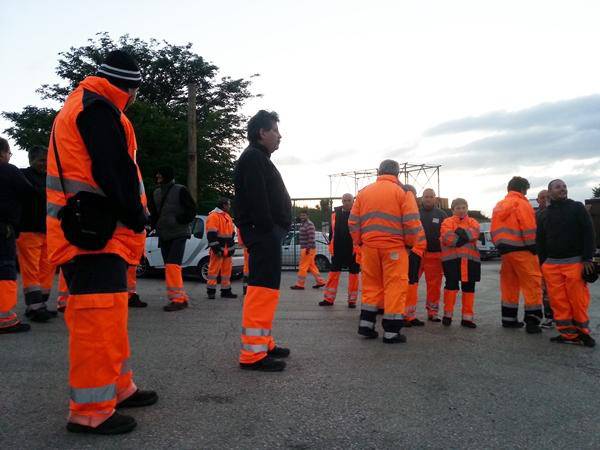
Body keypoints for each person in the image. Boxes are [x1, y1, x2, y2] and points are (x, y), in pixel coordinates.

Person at [46, 50, 157, 434]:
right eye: (136, 89)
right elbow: (113, 170)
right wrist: (137, 215)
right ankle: (91, 411)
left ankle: (119, 389)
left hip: (90, 231)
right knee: (97, 322)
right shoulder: (97, 108)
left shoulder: (88, 104)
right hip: (92, 233)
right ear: (129, 85)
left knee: (109, 319)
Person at [234, 110, 291, 371]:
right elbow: (257, 198)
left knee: (266, 291)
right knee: (261, 291)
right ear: (262, 133)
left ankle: (264, 342)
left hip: (263, 233)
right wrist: (268, 229)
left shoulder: (257, 157)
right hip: (262, 233)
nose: (280, 136)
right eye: (276, 131)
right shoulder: (254, 158)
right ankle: (253, 354)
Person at [348, 159, 423, 344]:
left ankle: (366, 326)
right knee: (395, 286)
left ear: (379, 172)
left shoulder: (364, 192)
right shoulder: (403, 192)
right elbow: (412, 223)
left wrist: (360, 242)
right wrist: (410, 244)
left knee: (371, 286)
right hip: (395, 248)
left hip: (369, 248)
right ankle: (391, 332)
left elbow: (352, 222)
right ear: (397, 173)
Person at [537, 179, 596, 347]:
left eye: (564, 186)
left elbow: (588, 234)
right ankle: (568, 335)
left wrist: (587, 258)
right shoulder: (544, 215)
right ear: (550, 192)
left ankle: (583, 333)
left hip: (575, 263)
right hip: (551, 265)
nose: (562, 189)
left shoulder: (577, 208)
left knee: (577, 300)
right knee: (558, 302)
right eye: (558, 187)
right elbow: (540, 241)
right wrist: (542, 264)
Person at [491, 177, 543, 334]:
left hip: (506, 253)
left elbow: (494, 229)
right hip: (523, 250)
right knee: (532, 284)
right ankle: (532, 321)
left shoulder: (499, 205)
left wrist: (500, 246)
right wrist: (533, 246)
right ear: (522, 189)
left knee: (509, 286)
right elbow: (528, 226)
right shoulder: (522, 203)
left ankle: (509, 319)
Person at [16, 145, 57, 322]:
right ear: (31, 160)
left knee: (47, 269)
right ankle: (34, 307)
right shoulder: (22, 175)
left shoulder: (50, 178)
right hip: (28, 230)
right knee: (31, 270)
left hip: (48, 230)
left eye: (46, 161)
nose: (44, 164)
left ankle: (40, 304)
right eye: (41, 161)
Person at [149, 166, 197, 312]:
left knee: (172, 265)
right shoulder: (156, 193)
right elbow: (154, 213)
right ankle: (180, 297)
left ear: (167, 176)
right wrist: (154, 226)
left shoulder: (180, 189)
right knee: (170, 267)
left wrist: (179, 220)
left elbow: (192, 209)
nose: (157, 177)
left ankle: (177, 299)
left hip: (179, 233)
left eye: (160, 175)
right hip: (164, 234)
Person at [0, 137, 33, 334]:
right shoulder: (8, 169)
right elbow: (28, 192)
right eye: (9, 153)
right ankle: (4, 319)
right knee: (4, 270)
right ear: (3, 152)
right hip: (3, 228)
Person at [440, 198, 481, 328]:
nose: (461, 210)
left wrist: (459, 233)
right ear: (453, 210)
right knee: (451, 287)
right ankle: (447, 315)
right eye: (458, 208)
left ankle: (467, 318)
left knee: (469, 289)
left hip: (470, 262)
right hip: (452, 261)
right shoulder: (447, 222)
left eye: (463, 207)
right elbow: (448, 238)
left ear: (467, 208)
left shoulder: (473, 221)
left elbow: (475, 233)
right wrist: (465, 236)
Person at [319, 193, 360, 308]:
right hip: (337, 249)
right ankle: (328, 299)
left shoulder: (358, 214)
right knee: (333, 274)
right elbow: (332, 233)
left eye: (349, 200)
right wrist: (331, 246)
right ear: (342, 201)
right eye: (344, 200)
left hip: (353, 250)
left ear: (353, 201)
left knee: (354, 276)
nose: (346, 202)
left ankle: (352, 301)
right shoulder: (334, 215)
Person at [415, 188, 447, 322]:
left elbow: (446, 234)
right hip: (417, 254)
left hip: (435, 255)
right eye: (425, 196)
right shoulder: (415, 213)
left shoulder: (441, 214)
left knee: (434, 285)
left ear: (435, 198)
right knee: (410, 283)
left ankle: (432, 312)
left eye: (430, 196)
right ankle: (406, 312)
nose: (428, 199)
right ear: (422, 198)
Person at [401, 184, 427, 327]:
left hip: (416, 252)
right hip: (408, 252)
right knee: (405, 284)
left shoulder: (414, 210)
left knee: (413, 284)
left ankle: (409, 315)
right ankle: (402, 315)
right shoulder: (403, 210)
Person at [206, 198, 238, 299]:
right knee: (213, 270)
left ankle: (226, 291)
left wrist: (231, 248)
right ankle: (211, 291)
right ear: (223, 205)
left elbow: (232, 234)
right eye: (228, 204)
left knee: (226, 271)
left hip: (227, 249)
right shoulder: (213, 216)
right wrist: (216, 249)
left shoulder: (226, 216)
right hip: (219, 248)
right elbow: (211, 234)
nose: (229, 206)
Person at [290, 210, 326, 290]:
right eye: (301, 215)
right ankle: (320, 282)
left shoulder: (309, 225)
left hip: (307, 248)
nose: (302, 217)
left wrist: (308, 248)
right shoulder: (304, 224)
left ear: (307, 216)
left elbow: (311, 237)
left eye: (304, 215)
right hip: (307, 248)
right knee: (312, 266)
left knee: (303, 266)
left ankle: (300, 284)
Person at [536, 189, 553, 328]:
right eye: (542, 197)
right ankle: (549, 317)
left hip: (558, 258)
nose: (545, 199)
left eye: (548, 197)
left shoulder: (560, 212)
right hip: (541, 260)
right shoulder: (534, 216)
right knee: (545, 291)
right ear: (537, 200)